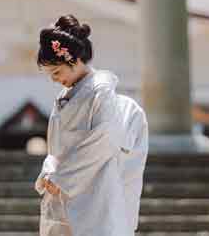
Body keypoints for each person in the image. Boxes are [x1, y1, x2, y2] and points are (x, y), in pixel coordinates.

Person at [35, 14, 147, 236]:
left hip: (95, 192)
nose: (54, 79)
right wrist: (49, 172)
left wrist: (62, 178)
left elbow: (104, 142)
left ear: (75, 60)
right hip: (62, 190)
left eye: (56, 72)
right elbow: (54, 150)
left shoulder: (100, 92)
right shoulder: (63, 98)